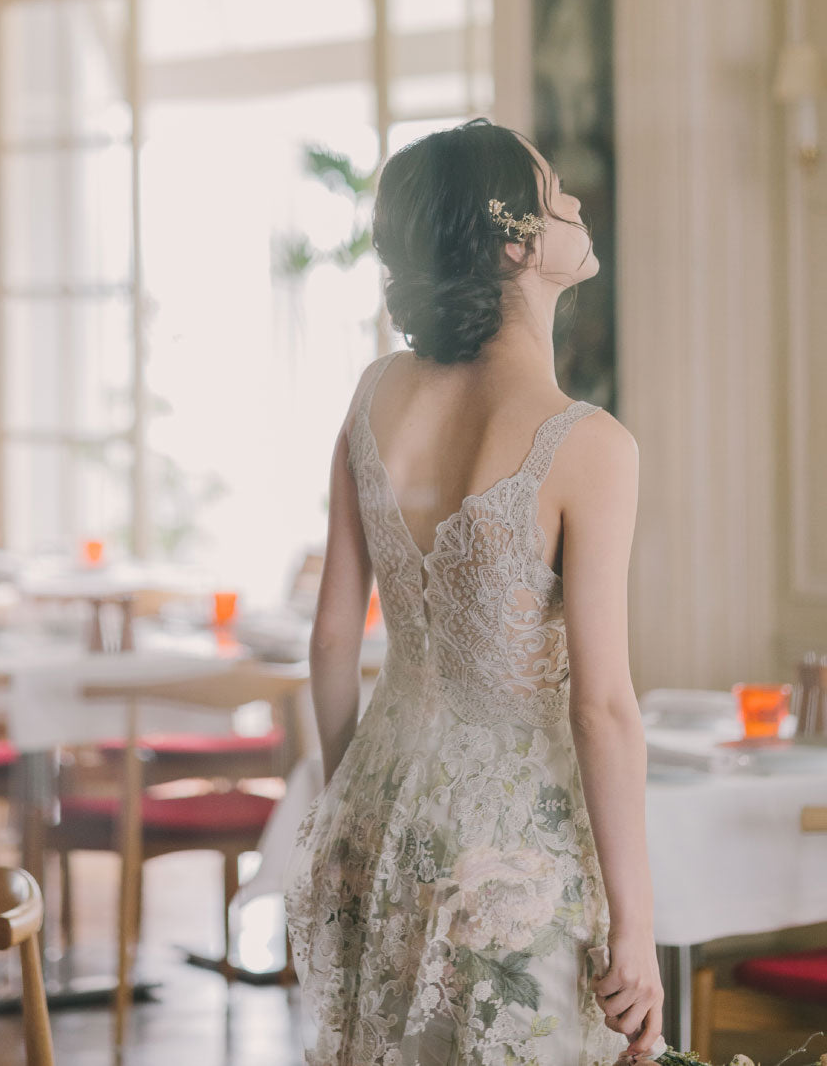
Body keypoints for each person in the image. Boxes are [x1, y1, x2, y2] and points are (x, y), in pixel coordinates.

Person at [283, 118, 662, 1066]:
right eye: (552, 191)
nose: (573, 202)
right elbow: (603, 707)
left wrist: (346, 805)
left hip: (378, 798)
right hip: (512, 846)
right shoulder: (590, 446)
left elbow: (333, 641)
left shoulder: (374, 397)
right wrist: (637, 925)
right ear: (513, 243)